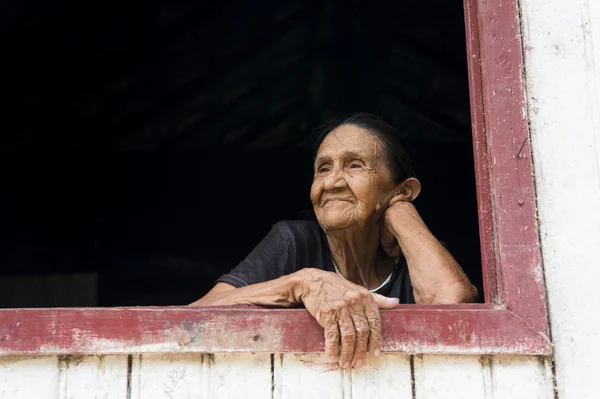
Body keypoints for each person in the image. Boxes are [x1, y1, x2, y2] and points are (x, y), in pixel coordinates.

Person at [191, 113, 478, 369]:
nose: (332, 183)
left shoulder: (417, 255)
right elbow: (196, 314)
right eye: (324, 169)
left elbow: (455, 304)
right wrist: (301, 284)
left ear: (404, 189)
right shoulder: (294, 241)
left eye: (354, 165)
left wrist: (401, 212)